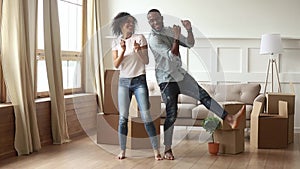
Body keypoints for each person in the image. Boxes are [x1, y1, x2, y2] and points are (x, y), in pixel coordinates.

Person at [146, 9, 245, 160]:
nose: (155, 23)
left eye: (157, 19)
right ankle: (167, 149)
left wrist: (189, 30)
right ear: (149, 23)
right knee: (172, 114)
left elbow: (190, 43)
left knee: (204, 95)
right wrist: (177, 37)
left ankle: (229, 119)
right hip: (166, 80)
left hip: (181, 75)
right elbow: (172, 56)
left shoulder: (169, 30)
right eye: (151, 21)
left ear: (161, 18)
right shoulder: (153, 39)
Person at [111, 12, 163, 160]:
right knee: (123, 118)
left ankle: (156, 151)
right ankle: (122, 151)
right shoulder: (116, 42)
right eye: (127, 22)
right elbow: (116, 65)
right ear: (121, 24)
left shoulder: (140, 38)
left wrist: (138, 50)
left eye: (132, 22)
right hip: (123, 82)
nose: (131, 24)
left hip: (139, 80)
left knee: (146, 116)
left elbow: (146, 61)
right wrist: (122, 50)